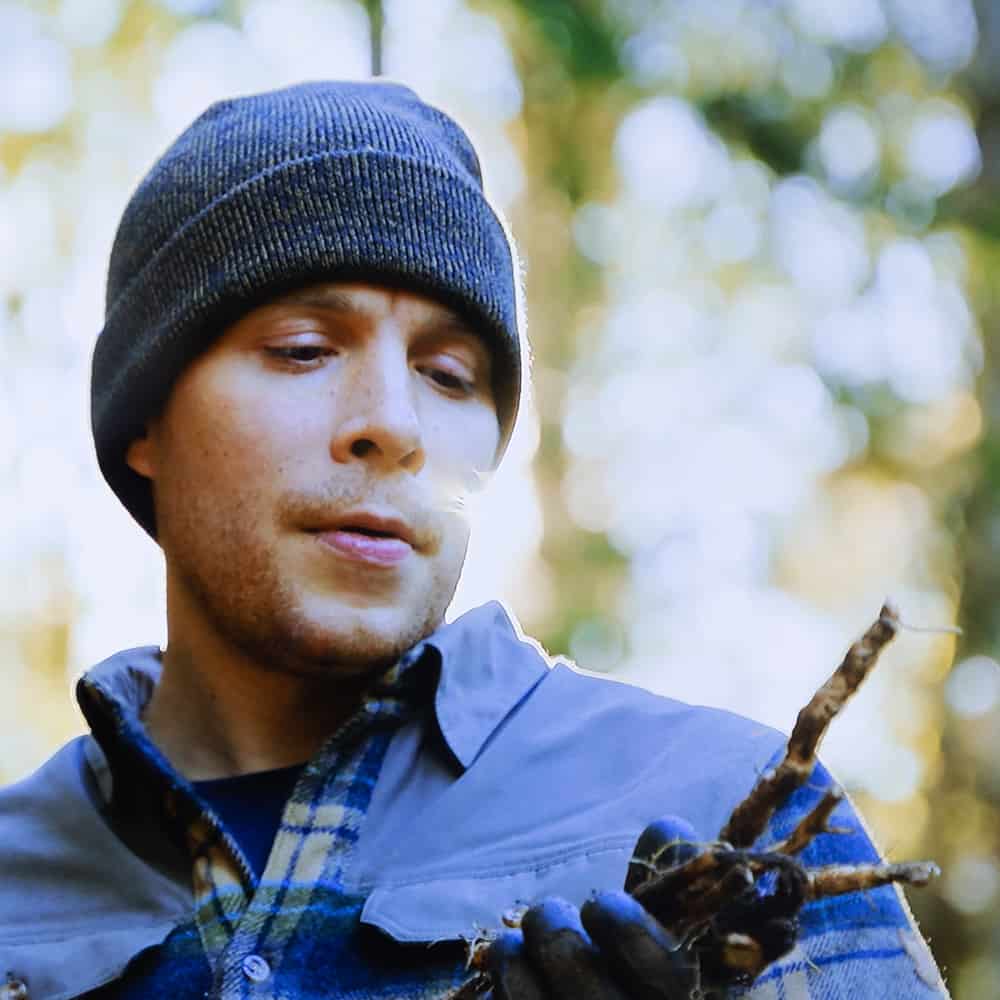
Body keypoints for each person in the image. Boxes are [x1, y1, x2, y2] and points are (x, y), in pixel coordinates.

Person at [0, 80, 948, 1000]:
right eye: (302, 349)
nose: (394, 424)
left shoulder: (731, 814)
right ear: (143, 423)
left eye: (449, 375)